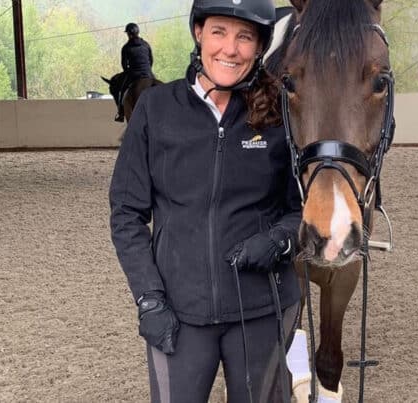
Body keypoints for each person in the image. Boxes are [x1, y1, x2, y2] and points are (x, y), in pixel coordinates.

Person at [109, 1, 302, 402]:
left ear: (259, 45)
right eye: (219, 32)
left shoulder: (282, 113)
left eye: (244, 36)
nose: (230, 48)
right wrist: (148, 298)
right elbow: (127, 213)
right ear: (199, 34)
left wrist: (280, 239)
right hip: (179, 311)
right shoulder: (154, 109)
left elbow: (305, 207)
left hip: (262, 309)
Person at [115, 22, 154, 122]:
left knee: (121, 91)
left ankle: (120, 113)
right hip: (148, 74)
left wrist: (128, 71)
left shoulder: (126, 48)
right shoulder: (146, 45)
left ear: (128, 34)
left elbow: (124, 65)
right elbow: (151, 60)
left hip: (134, 75)